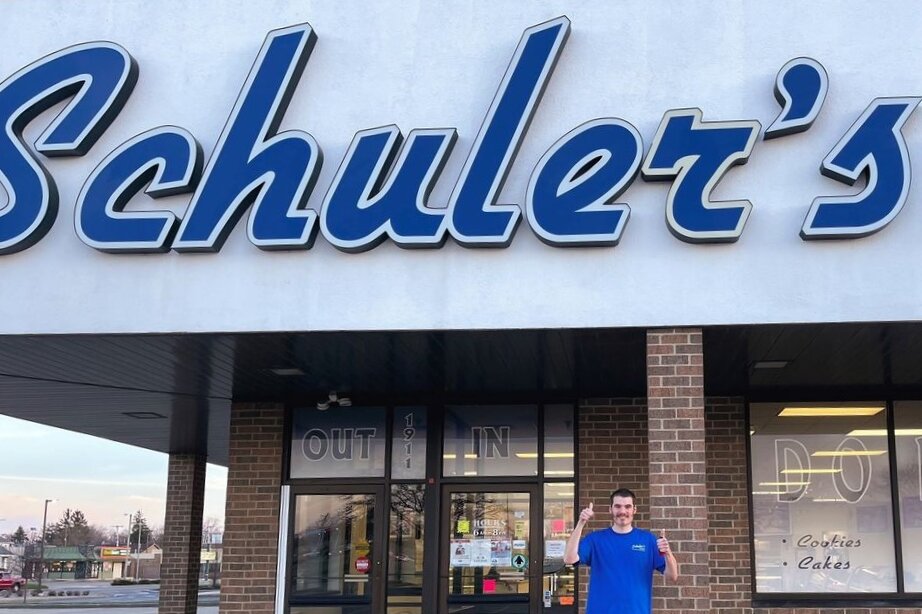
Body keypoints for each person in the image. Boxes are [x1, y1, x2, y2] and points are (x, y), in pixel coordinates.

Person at [563, 488, 679, 614]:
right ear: (610, 509)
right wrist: (581, 523)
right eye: (617, 506)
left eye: (627, 507)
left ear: (634, 509)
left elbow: (672, 575)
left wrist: (667, 553)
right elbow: (569, 559)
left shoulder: (648, 540)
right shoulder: (595, 539)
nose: (622, 511)